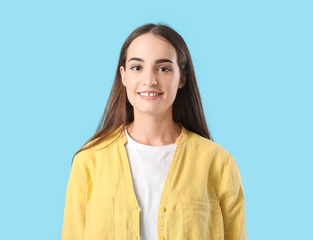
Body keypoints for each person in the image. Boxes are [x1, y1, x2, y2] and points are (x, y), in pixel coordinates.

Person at [61, 23, 246, 240]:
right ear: (123, 76)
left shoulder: (218, 163)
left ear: (182, 78)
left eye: (164, 68)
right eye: (137, 67)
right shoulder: (88, 162)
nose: (149, 80)